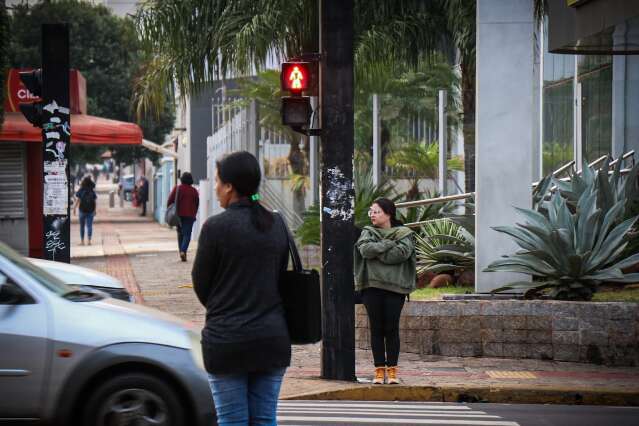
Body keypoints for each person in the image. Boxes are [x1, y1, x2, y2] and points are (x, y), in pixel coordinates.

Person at [192, 151, 290, 426]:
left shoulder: (215, 228)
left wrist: (224, 307)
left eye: (217, 181)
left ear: (229, 187)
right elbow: (280, 277)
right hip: (271, 340)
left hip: (227, 341)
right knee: (264, 420)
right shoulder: (276, 224)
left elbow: (202, 285)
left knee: (231, 421)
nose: (215, 188)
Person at [354, 198, 416, 385]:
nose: (372, 215)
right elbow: (365, 250)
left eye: (377, 212)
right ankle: (379, 371)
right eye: (371, 212)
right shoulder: (367, 232)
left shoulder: (404, 233)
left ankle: (393, 372)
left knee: (391, 328)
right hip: (371, 287)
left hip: (395, 289)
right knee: (376, 329)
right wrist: (389, 244)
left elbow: (400, 255)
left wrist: (379, 250)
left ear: (389, 214)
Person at [167, 172, 199, 262]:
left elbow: (170, 200)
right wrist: (194, 213)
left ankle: (181, 251)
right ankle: (183, 251)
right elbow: (197, 203)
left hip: (178, 215)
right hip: (190, 215)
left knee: (180, 233)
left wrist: (170, 210)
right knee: (187, 234)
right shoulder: (194, 191)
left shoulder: (177, 189)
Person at [73, 176, 97, 246]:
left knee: (82, 226)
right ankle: (89, 241)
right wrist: (95, 210)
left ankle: (82, 241)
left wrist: (74, 208)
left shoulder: (81, 190)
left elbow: (78, 200)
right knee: (89, 226)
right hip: (91, 211)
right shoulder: (92, 191)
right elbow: (95, 201)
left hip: (82, 210)